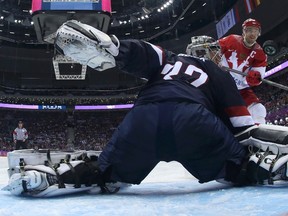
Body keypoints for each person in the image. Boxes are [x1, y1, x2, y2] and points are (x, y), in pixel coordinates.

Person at [4, 20, 288, 197]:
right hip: (194, 122)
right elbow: (242, 126)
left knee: (103, 172)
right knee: (239, 166)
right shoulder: (218, 72)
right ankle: (269, 168)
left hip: (143, 120)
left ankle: (55, 176)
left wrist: (116, 47)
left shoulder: (168, 58)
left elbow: (143, 53)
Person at [217, 18, 268, 124]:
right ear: (243, 31)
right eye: (249, 30)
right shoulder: (231, 40)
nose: (252, 33)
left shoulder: (260, 53)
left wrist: (256, 77)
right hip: (221, 85)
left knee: (259, 110)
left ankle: (258, 133)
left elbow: (259, 74)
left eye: (255, 31)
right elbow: (213, 50)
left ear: (259, 33)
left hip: (241, 89)